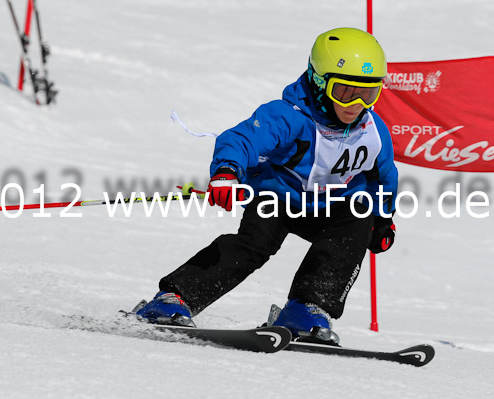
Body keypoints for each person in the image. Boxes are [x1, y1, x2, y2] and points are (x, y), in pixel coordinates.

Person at [132, 27, 398, 345]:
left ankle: (306, 309)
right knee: (253, 247)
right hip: (277, 197)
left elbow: (383, 176)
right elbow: (242, 139)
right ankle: (173, 299)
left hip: (328, 206)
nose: (355, 103)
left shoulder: (372, 129)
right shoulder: (290, 117)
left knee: (357, 220)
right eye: (344, 92)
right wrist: (227, 174)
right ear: (318, 81)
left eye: (368, 94)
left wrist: (383, 218)